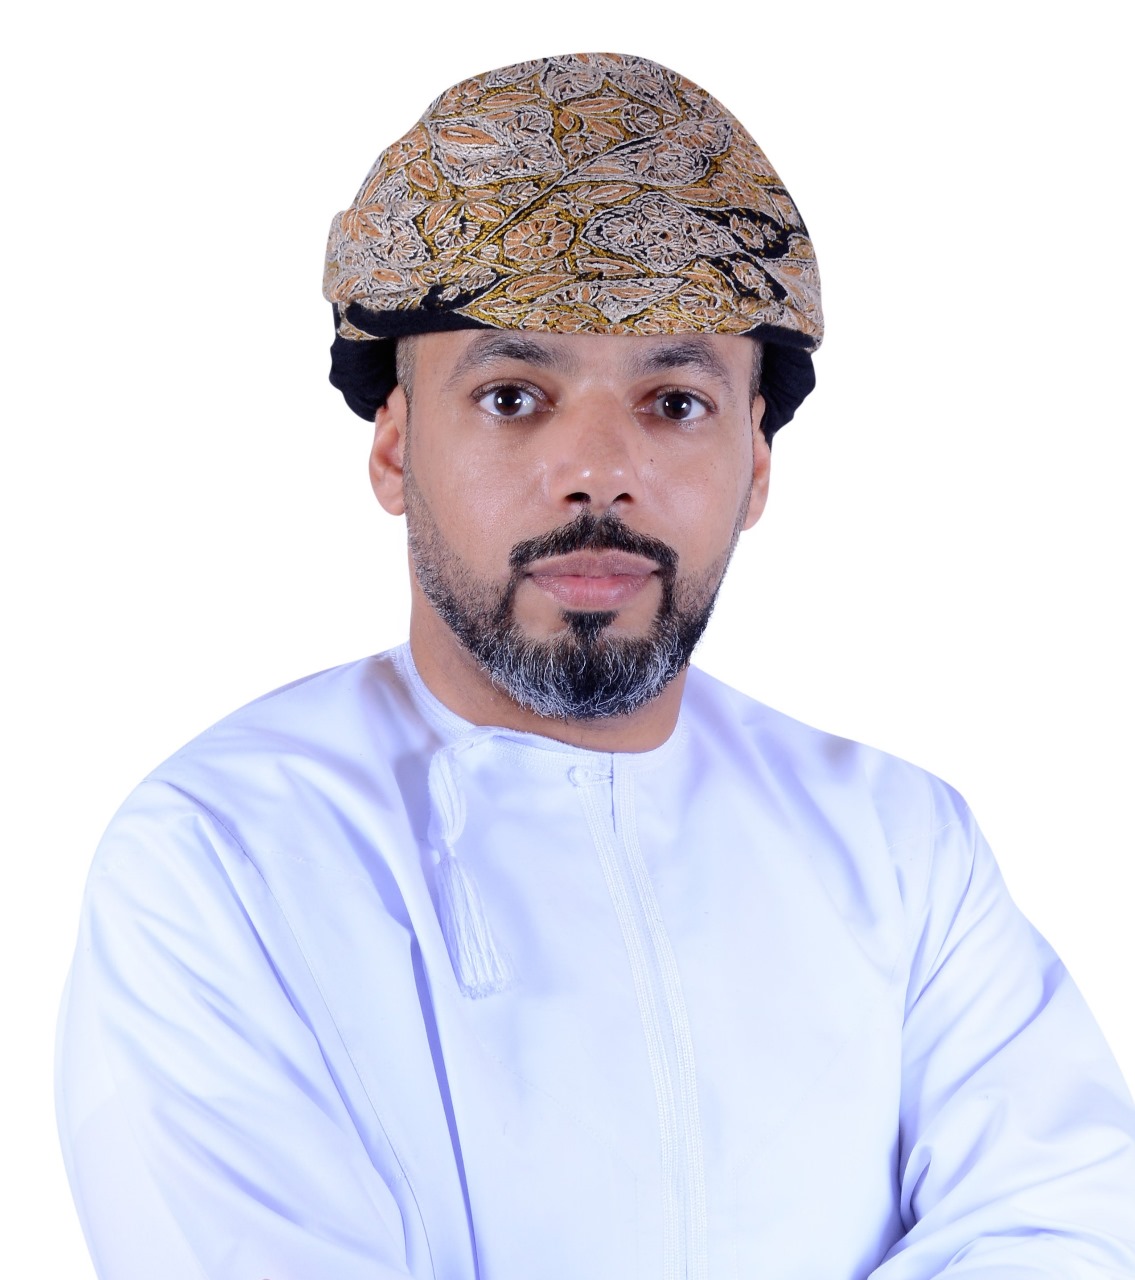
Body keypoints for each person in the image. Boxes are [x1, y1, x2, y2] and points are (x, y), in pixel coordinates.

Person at [55, 51, 1135, 1280]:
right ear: (396, 449)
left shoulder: (898, 845)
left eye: (674, 402)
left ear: (757, 463)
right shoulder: (220, 855)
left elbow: (1065, 1223)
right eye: (513, 396)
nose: (598, 474)